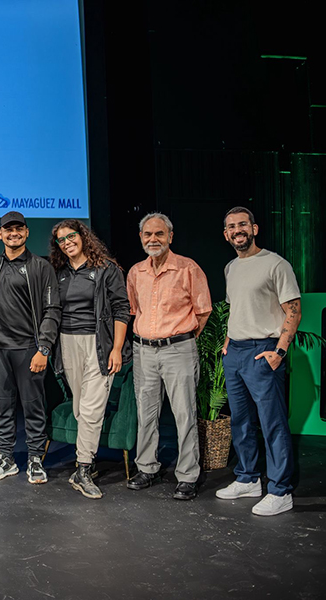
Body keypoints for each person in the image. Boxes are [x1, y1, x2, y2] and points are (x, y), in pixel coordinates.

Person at [216, 207, 300, 516]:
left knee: (272, 423)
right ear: (226, 235)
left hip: (264, 350)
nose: (237, 230)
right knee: (240, 421)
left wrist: (279, 352)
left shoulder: (276, 264)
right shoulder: (230, 268)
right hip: (235, 353)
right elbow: (237, 309)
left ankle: (280, 490)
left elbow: (293, 310)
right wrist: (228, 342)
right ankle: (248, 478)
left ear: (254, 228)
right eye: (231, 227)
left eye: (242, 224)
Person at [126, 213, 211, 501]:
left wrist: (180, 339)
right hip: (144, 351)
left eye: (159, 234)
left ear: (170, 237)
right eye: (147, 234)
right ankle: (147, 467)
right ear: (141, 238)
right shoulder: (136, 272)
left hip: (178, 350)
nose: (153, 239)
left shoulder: (188, 268)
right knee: (146, 412)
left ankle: (187, 475)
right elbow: (134, 310)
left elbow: (203, 311)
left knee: (184, 413)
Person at [0, 211, 61, 484]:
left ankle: (35, 458)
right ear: (0, 234)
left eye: (19, 229)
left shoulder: (41, 267)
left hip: (29, 349)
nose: (14, 233)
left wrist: (44, 348)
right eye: (8, 229)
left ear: (27, 232)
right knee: (3, 407)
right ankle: (6, 458)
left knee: (33, 406)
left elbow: (52, 310)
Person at [48, 220, 130, 499]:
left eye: (71, 236)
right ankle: (87, 461)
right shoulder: (58, 273)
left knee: (92, 407)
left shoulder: (106, 269)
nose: (67, 242)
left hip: (99, 344)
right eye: (61, 240)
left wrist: (116, 348)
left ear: (83, 237)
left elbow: (121, 309)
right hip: (67, 344)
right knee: (80, 408)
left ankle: (82, 468)